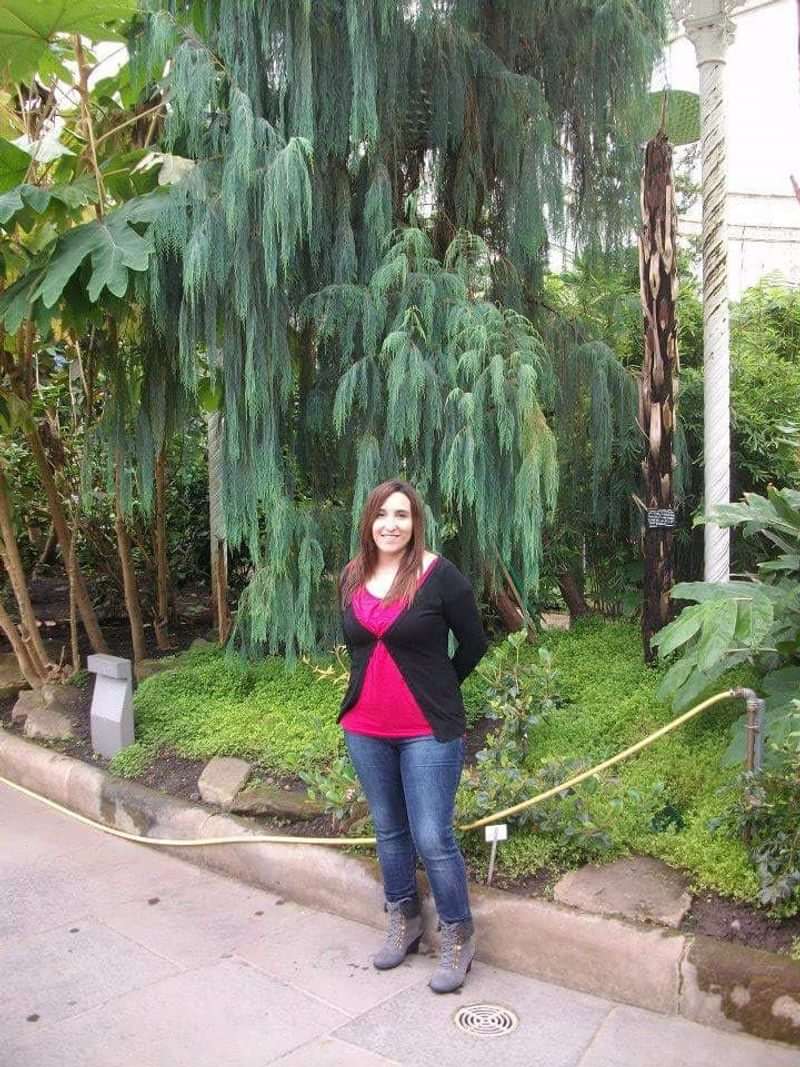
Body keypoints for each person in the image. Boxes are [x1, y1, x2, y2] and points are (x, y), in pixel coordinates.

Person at [338, 478, 488, 993]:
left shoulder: (439, 575)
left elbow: (473, 642)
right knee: (389, 829)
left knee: (433, 836)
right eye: (382, 515)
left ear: (415, 522)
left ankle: (458, 931)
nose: (391, 524)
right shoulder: (353, 576)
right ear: (369, 522)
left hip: (428, 729)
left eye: (401, 515)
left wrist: (440, 686)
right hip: (365, 727)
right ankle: (403, 919)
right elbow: (359, 649)